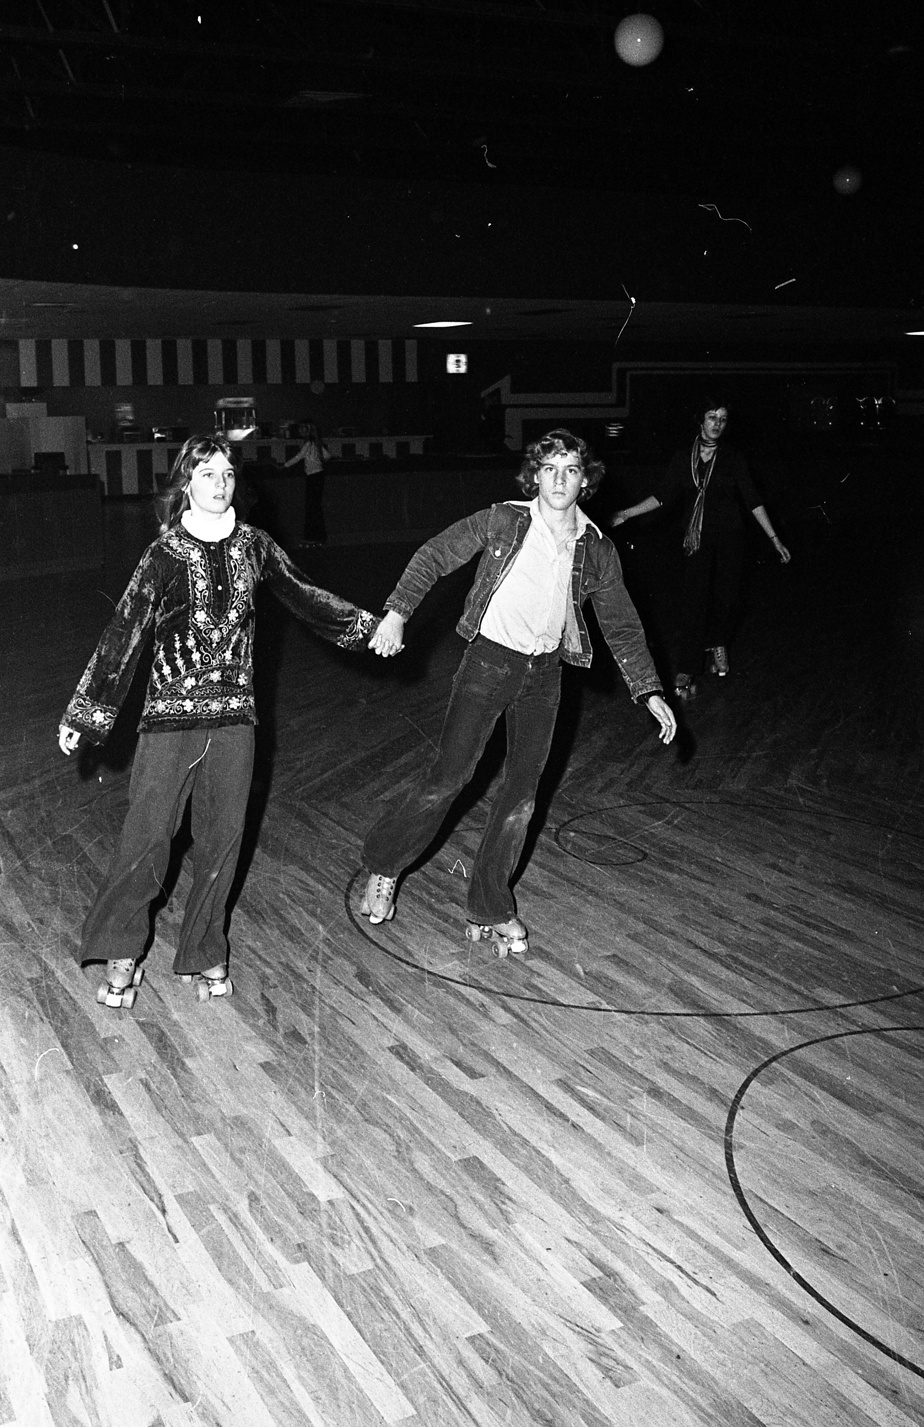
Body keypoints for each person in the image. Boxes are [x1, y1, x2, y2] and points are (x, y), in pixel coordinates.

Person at [59, 434, 380, 1008]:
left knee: (222, 839)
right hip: (168, 720)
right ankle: (123, 951)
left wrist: (365, 627)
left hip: (235, 717)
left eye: (228, 474)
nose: (221, 483)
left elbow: (305, 596)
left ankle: (205, 948)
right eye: (208, 474)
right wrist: (87, 711)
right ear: (186, 483)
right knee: (147, 837)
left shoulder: (255, 547)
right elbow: (124, 632)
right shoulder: (163, 555)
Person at [360, 427, 676, 957]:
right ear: (535, 474)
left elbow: (622, 625)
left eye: (570, 469)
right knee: (449, 777)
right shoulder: (504, 518)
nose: (559, 479)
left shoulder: (596, 548)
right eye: (549, 468)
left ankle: (489, 906)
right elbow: (436, 553)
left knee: (521, 798)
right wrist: (397, 614)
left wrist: (648, 691)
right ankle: (385, 864)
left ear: (585, 480)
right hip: (487, 663)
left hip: (545, 677)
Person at [610, 399, 790, 698]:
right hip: (696, 540)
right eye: (712, 417)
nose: (717, 423)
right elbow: (662, 496)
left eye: (723, 418)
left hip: (731, 537)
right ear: (700, 421)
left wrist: (775, 539)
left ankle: (718, 642)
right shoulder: (684, 458)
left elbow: (753, 500)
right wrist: (627, 513)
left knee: (728, 598)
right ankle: (688, 666)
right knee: (694, 601)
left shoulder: (733, 457)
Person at [281, 421, 329, 545]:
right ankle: (319, 536)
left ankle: (312, 536)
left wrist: (284, 466)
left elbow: (298, 457)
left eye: (303, 429)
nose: (300, 431)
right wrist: (318, 462)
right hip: (318, 475)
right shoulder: (315, 444)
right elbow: (327, 455)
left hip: (313, 477)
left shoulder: (309, 444)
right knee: (315, 507)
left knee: (311, 507)